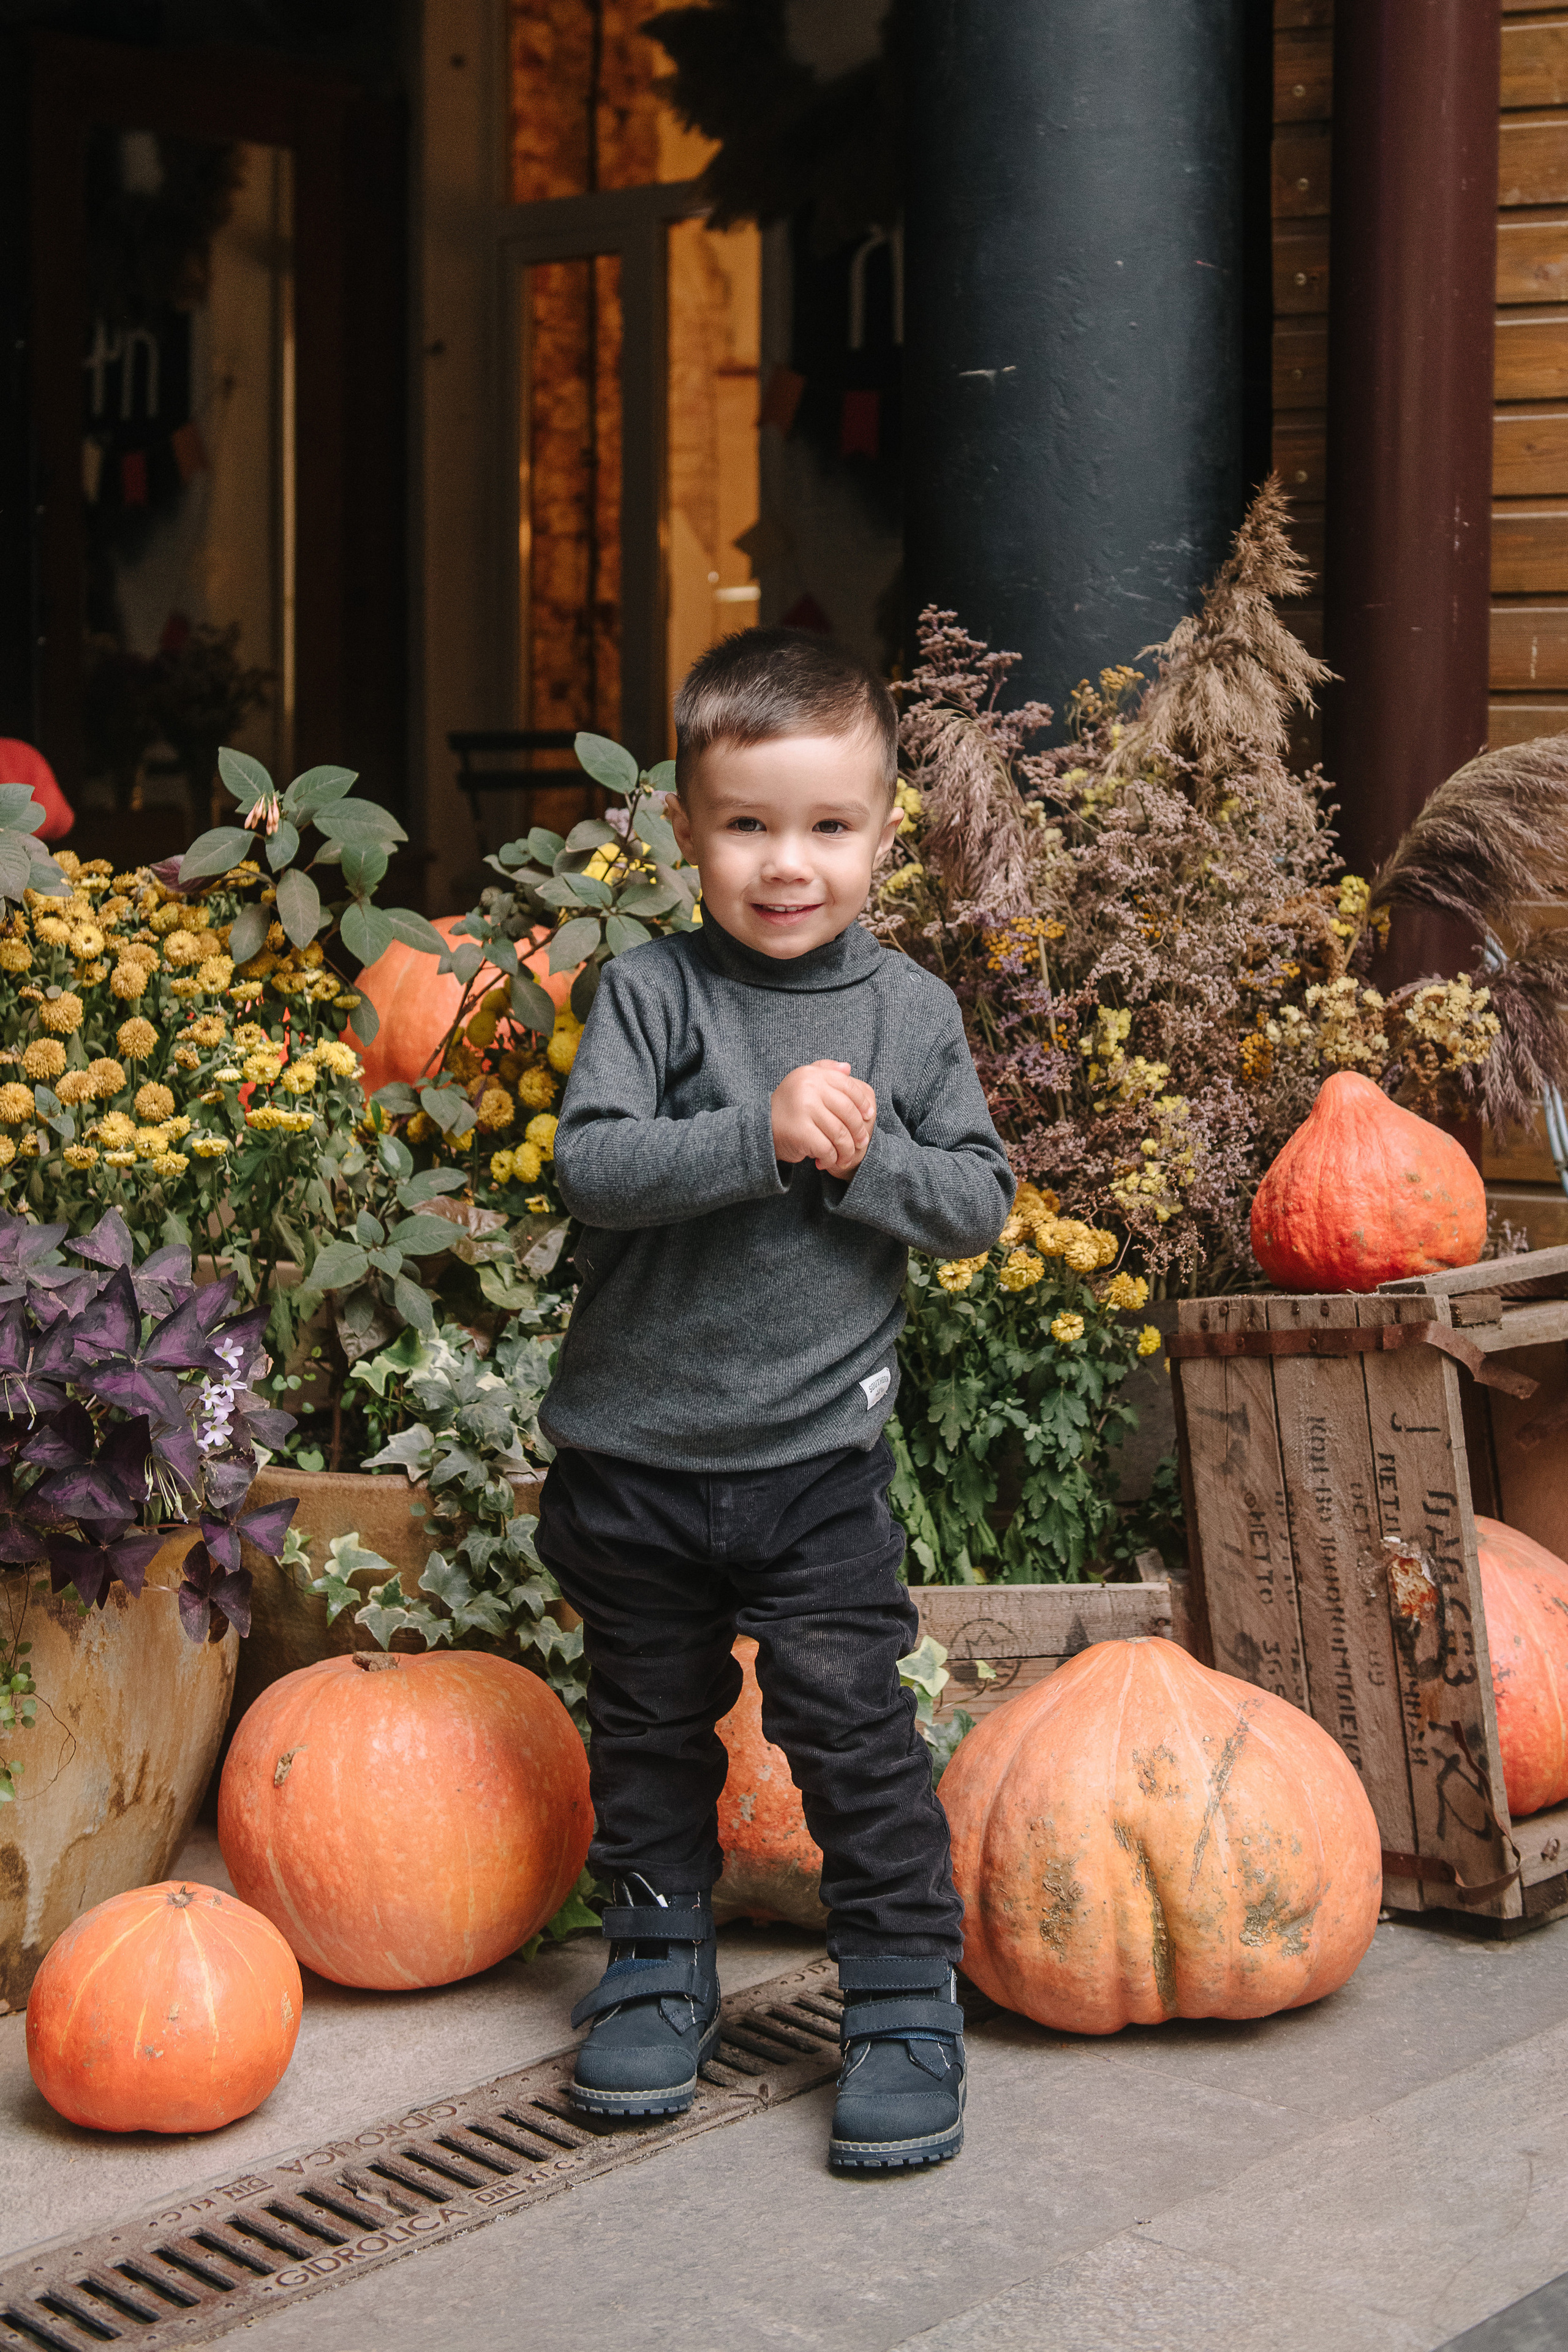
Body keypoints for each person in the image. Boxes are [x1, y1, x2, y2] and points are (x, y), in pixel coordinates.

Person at [535, 626, 1014, 2172]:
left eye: (825, 826)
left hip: (812, 1465)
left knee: (848, 1731)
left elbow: (977, 1202)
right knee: (646, 1731)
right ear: (685, 828)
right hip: (635, 1460)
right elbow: (595, 1168)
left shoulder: (908, 1016)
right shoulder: (651, 995)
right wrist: (762, 1132)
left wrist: (860, 1158)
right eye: (746, 823)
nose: (786, 863)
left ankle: (901, 1998)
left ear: (882, 832)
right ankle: (655, 1969)